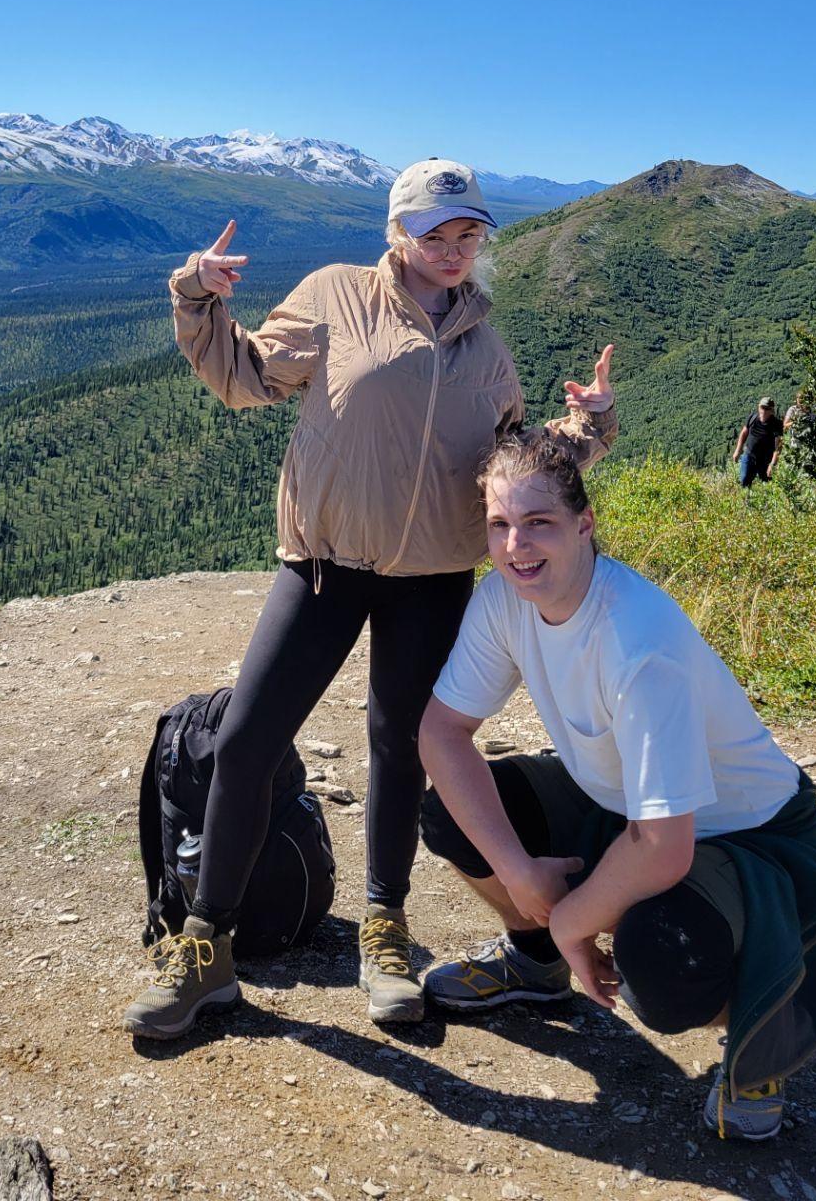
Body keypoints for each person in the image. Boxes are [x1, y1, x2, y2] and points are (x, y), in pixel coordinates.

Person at [121, 159, 619, 1040]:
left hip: (433, 575)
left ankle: (385, 930)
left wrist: (590, 428)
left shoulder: (485, 346)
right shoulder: (334, 297)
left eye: (468, 233)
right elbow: (242, 377)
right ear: (397, 232)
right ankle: (206, 947)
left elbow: (516, 465)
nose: (454, 249)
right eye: (436, 233)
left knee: (401, 748)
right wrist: (196, 298)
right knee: (245, 742)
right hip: (324, 563)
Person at [416, 430, 816, 1142]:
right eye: (499, 525)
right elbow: (441, 735)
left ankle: (766, 1011)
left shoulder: (637, 637)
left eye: (539, 523)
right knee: (453, 815)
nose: (515, 545)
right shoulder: (504, 600)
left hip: (751, 838)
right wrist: (519, 872)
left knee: (659, 956)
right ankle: (534, 965)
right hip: (622, 807)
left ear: (585, 525)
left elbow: (662, 846)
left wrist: (569, 919)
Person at [732, 396, 785, 487]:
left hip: (766, 460)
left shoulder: (777, 424)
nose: (764, 411)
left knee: (769, 486)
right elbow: (744, 433)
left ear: (772, 410)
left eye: (767, 408)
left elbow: (778, 446)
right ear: (759, 407)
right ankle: (746, 501)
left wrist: (772, 464)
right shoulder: (752, 418)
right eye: (762, 407)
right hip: (749, 456)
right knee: (744, 482)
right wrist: (738, 450)